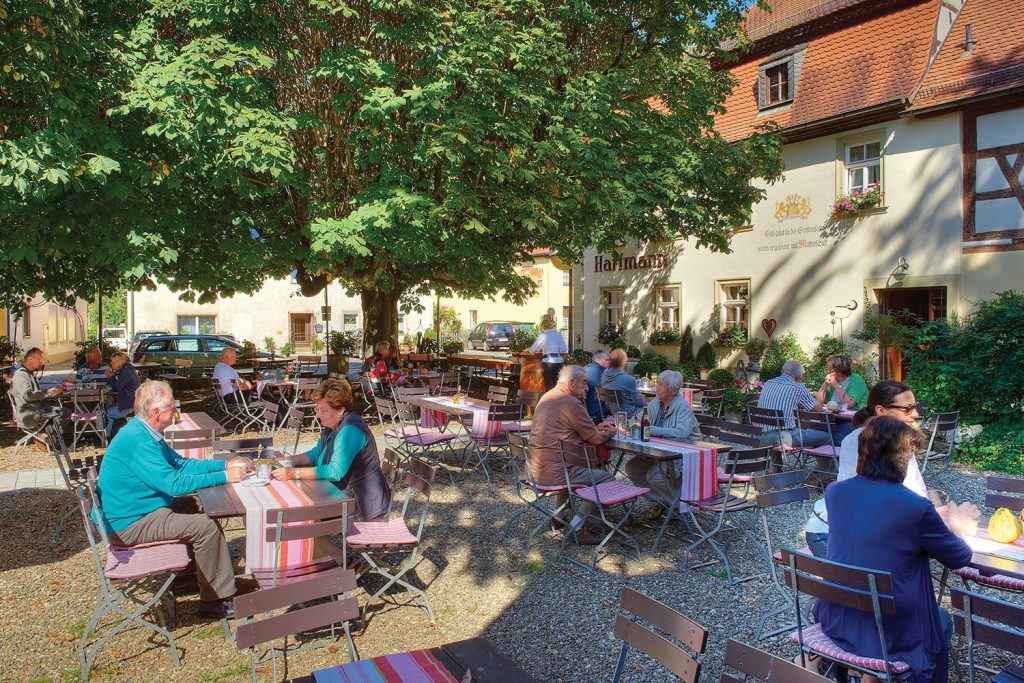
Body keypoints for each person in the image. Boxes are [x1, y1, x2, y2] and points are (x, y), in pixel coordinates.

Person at [814, 416, 973, 683]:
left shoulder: (835, 492)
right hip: (887, 631)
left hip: (837, 616)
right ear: (904, 459)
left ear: (863, 452)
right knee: (942, 621)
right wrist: (957, 525)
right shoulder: (915, 507)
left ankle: (871, 677)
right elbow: (960, 558)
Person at [95, 380, 248, 619]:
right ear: (156, 412)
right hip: (130, 522)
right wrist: (226, 477)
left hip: (140, 508)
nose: (176, 410)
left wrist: (224, 465)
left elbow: (181, 464)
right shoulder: (139, 441)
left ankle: (188, 578)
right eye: (172, 406)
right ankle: (215, 601)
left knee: (198, 504)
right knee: (205, 527)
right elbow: (173, 484)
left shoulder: (144, 432)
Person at [804, 380, 928, 558]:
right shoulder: (857, 442)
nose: (915, 414)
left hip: (871, 529)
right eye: (907, 409)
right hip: (831, 532)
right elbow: (863, 502)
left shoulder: (902, 441)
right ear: (881, 410)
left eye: (915, 407)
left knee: (914, 563)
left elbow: (917, 492)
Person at [272, 378, 391, 522]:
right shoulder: (333, 425)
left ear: (341, 409)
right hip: (346, 499)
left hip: (365, 509)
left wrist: (293, 473)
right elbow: (317, 453)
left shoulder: (350, 430)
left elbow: (335, 471)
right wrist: (288, 460)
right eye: (317, 409)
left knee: (300, 515)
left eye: (324, 410)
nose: (318, 415)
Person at [528, 365, 618, 544]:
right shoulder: (571, 403)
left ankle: (558, 517)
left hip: (534, 470)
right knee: (607, 479)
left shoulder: (547, 396)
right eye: (584, 383)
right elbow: (596, 438)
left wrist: (594, 428)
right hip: (557, 473)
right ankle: (576, 526)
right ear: (571, 384)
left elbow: (569, 428)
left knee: (570, 467)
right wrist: (612, 431)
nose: (587, 388)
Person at [624, 370, 702, 520]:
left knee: (654, 475)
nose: (656, 387)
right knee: (632, 468)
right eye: (657, 384)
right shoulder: (656, 402)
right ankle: (658, 502)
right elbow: (637, 419)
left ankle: (679, 506)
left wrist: (650, 429)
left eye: (661, 385)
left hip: (683, 455)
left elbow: (681, 433)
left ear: (674, 390)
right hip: (659, 451)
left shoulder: (682, 407)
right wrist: (633, 424)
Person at [755, 359, 829, 447]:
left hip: (759, 436)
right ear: (799, 376)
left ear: (782, 371)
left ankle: (777, 457)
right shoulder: (798, 388)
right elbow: (819, 409)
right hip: (783, 438)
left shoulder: (768, 383)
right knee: (827, 437)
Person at [814, 354, 868, 444]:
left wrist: (835, 385)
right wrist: (825, 385)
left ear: (838, 369)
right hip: (834, 417)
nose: (828, 370)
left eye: (830, 368)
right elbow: (818, 402)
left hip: (853, 419)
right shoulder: (832, 380)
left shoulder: (857, 380)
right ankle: (822, 449)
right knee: (817, 431)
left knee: (837, 437)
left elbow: (850, 403)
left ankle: (834, 452)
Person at [10, 348, 64, 431]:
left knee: (65, 412)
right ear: (30, 359)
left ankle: (53, 434)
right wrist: (49, 393)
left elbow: (35, 394)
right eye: (39, 359)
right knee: (64, 413)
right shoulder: (21, 375)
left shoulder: (29, 373)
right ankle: (53, 435)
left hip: (37, 409)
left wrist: (52, 392)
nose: (41, 362)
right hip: (30, 414)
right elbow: (28, 395)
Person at [601, 348, 647, 417]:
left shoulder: (604, 376)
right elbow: (639, 402)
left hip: (614, 413)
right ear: (624, 362)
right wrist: (647, 401)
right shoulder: (629, 379)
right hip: (630, 414)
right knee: (654, 409)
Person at [104, 352, 141, 437]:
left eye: (113, 361)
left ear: (119, 362)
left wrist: (111, 377)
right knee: (106, 407)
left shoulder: (126, 371)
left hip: (129, 404)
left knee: (106, 412)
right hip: (130, 402)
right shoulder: (126, 369)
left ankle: (106, 436)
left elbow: (117, 387)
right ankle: (109, 434)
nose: (111, 363)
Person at [529, 314, 568, 391]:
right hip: (558, 362)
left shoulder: (543, 335)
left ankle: (550, 398)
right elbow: (564, 350)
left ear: (543, 324)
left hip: (548, 362)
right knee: (557, 387)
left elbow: (533, 350)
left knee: (549, 388)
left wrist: (530, 349)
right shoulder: (558, 334)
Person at [583, 351, 611, 422]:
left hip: (582, 410)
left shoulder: (583, 369)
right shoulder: (606, 372)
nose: (609, 362)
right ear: (597, 360)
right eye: (606, 359)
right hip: (598, 412)